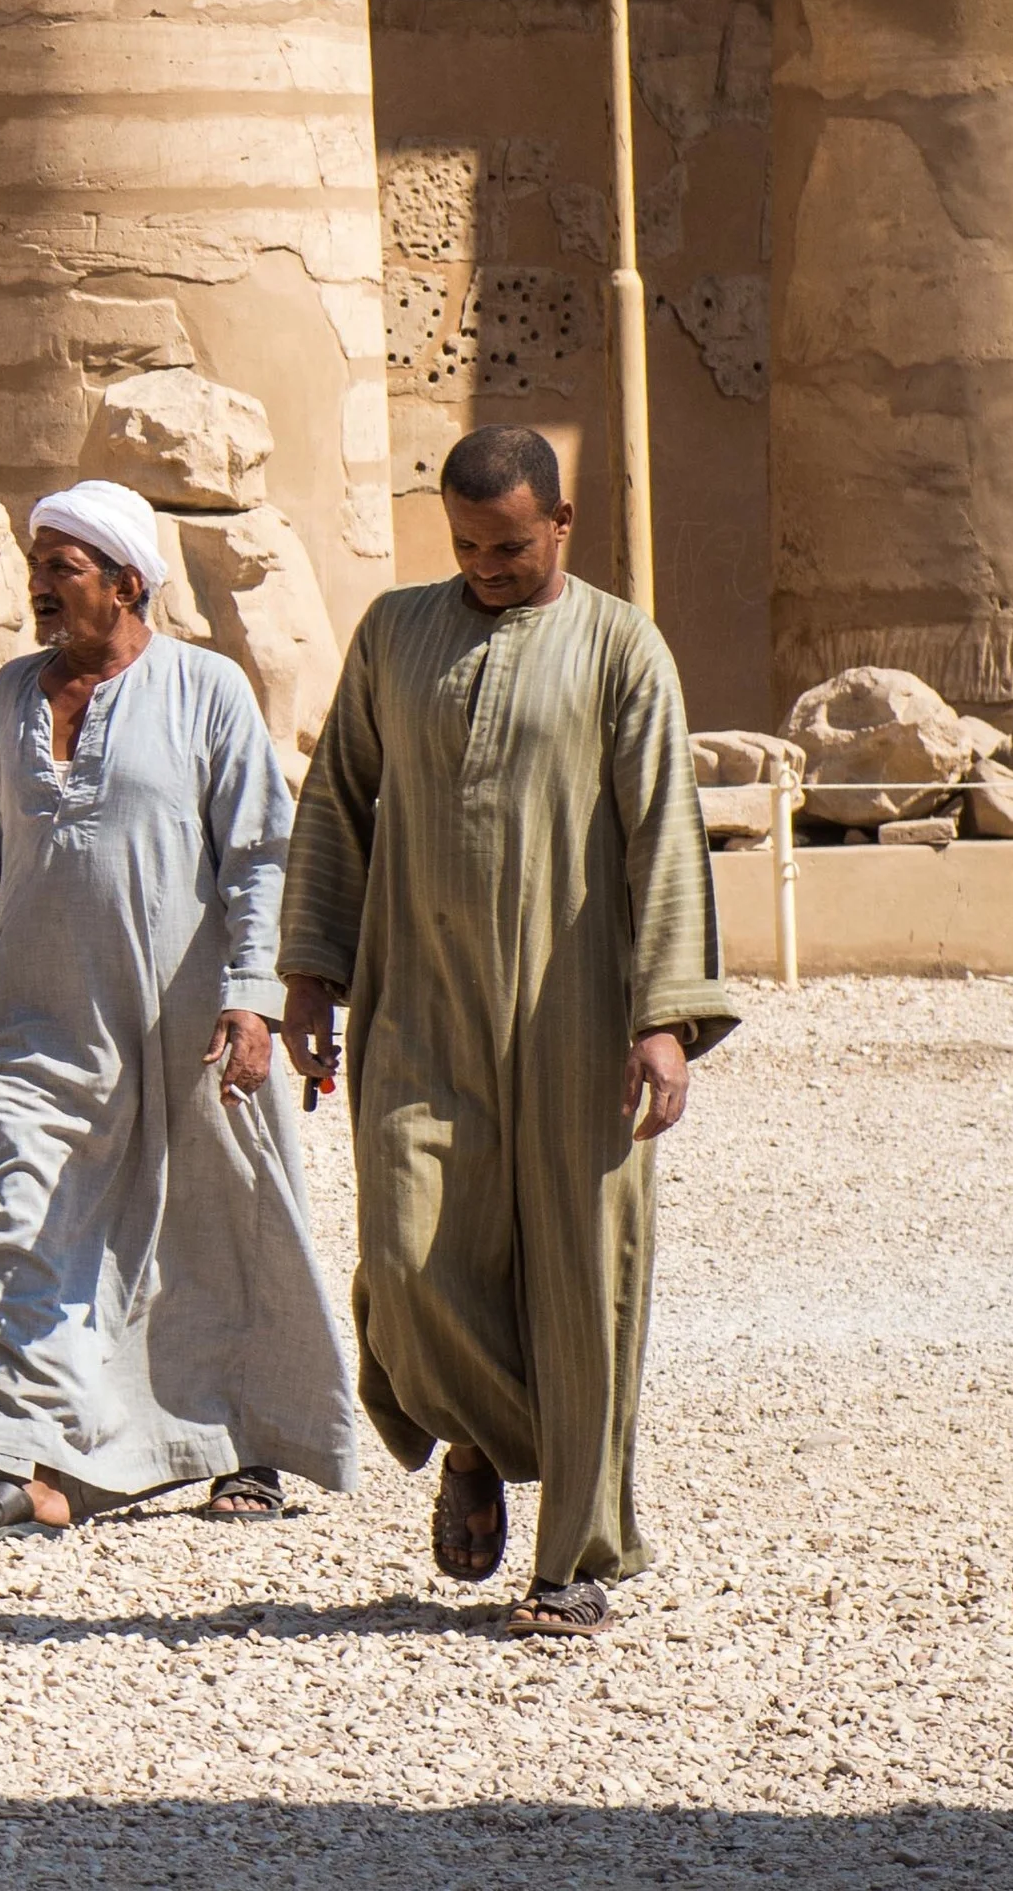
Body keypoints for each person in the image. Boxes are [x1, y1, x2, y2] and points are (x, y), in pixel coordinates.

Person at [278, 424, 735, 1638]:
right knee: (406, 1256)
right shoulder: (393, 633)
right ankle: (477, 1437)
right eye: (465, 547)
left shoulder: (621, 647)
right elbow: (336, 802)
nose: (484, 567)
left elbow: (662, 829)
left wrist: (665, 1018)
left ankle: (575, 1558)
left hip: (576, 1007)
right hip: (418, 999)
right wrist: (310, 973)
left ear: (562, 523)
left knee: (583, 1278)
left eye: (509, 547)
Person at [0, 479, 358, 1545]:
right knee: (11, 1216)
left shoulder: (206, 689)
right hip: (37, 1021)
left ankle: (241, 1441)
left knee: (214, 1225)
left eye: (61, 568)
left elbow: (260, 854)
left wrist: (253, 999)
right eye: (36, 567)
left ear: (126, 583)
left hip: (184, 1018)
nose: (38, 586)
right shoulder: (11, 695)